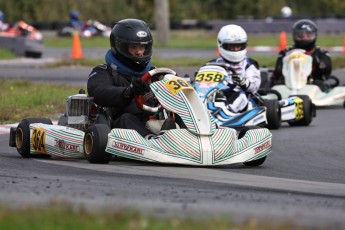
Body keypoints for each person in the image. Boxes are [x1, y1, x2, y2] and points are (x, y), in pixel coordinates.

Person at [87, 18, 172, 139]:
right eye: (134, 47)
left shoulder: (156, 73)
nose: (139, 52)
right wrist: (129, 91)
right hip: (120, 126)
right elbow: (98, 92)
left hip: (155, 121)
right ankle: (151, 140)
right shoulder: (104, 71)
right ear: (120, 46)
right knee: (126, 118)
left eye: (142, 47)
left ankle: (195, 138)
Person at [208, 24, 261, 113]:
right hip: (217, 94)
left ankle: (225, 113)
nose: (236, 49)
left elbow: (254, 87)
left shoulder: (249, 64)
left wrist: (244, 82)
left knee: (240, 95)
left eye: (238, 46)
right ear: (222, 45)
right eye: (232, 46)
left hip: (241, 97)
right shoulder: (211, 64)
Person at [272, 19, 335, 91]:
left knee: (320, 85)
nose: (304, 38)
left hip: (313, 84)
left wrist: (315, 60)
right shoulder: (286, 52)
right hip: (288, 84)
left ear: (314, 35)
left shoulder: (321, 53)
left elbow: (327, 70)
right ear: (295, 35)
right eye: (301, 36)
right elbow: (277, 72)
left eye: (308, 35)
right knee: (277, 86)